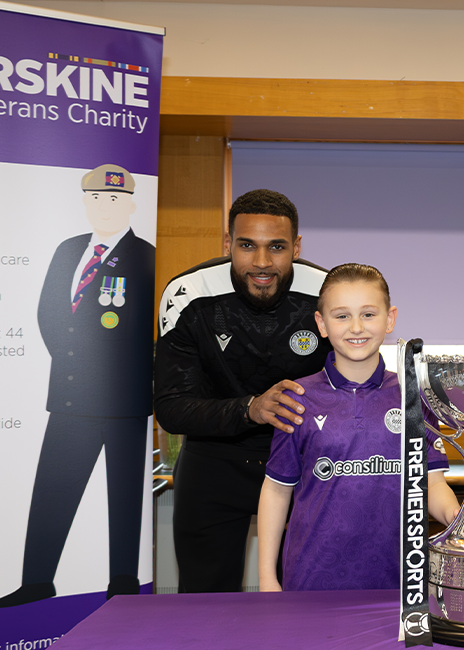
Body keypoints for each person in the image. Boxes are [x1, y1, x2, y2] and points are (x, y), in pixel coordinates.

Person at [0, 163, 155, 607]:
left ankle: (123, 581)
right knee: (52, 490)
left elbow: (151, 331)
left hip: (125, 399)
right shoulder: (68, 250)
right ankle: (37, 582)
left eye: (115, 200)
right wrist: (75, 365)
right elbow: (49, 313)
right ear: (85, 203)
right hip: (70, 394)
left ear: (132, 205)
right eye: (97, 198)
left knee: (125, 496)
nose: (104, 206)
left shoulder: (147, 256)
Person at [154, 189, 330, 593]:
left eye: (277, 247)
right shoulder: (188, 296)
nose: (262, 262)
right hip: (213, 463)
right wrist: (250, 409)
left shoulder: (327, 292)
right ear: (227, 243)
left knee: (307, 600)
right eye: (247, 245)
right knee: (205, 604)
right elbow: (172, 407)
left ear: (297, 247)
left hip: (303, 466)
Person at [255, 263, 460, 591]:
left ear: (390, 318)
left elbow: (431, 485)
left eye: (368, 314)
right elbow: (277, 490)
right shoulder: (297, 397)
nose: (355, 327)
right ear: (321, 324)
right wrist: (266, 576)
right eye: (341, 316)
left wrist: (455, 515)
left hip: (399, 583)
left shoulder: (414, 397)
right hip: (310, 580)